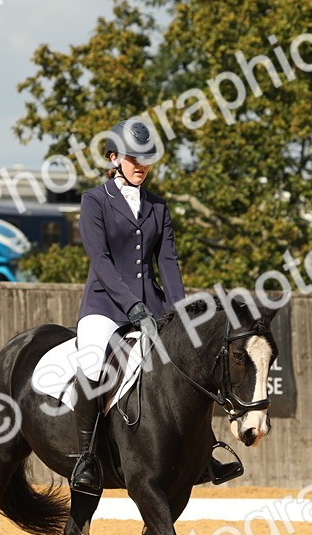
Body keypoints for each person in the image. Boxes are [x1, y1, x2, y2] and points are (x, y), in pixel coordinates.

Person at [69, 119, 240, 495]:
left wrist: (182, 317)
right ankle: (86, 459)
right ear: (114, 157)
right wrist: (131, 306)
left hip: (154, 306)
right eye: (132, 158)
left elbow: (168, 264)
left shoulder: (158, 207)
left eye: (146, 158)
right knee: (94, 363)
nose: (140, 164)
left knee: (188, 365)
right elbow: (101, 261)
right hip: (105, 306)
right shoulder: (94, 201)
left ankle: (203, 453)